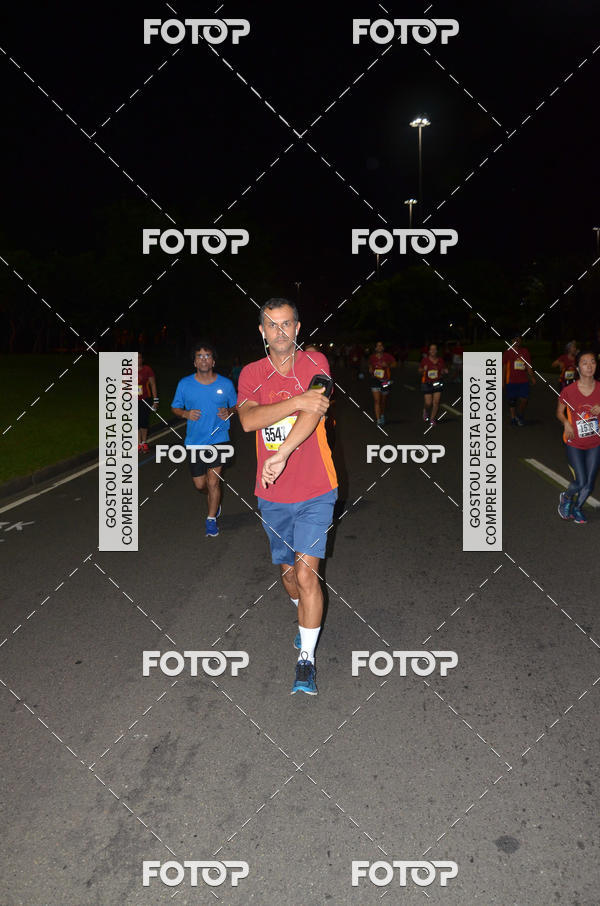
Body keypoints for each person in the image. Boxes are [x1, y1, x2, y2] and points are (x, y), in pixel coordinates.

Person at [237, 298, 337, 696]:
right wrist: (295, 401)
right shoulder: (251, 373)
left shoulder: (316, 363)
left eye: (286, 324)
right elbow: (247, 420)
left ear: (298, 327)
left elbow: (315, 414)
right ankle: (302, 617)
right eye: (271, 326)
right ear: (261, 331)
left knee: (307, 573)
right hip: (273, 495)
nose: (280, 332)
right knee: (289, 576)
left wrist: (281, 453)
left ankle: (306, 660)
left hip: (316, 487)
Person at [171, 342, 237, 537]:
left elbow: (238, 405)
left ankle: (211, 520)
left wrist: (229, 411)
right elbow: (175, 407)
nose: (203, 359)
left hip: (219, 439)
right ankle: (213, 500)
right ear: (194, 362)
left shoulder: (225, 384)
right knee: (201, 485)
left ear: (213, 361)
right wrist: (185, 413)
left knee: (213, 481)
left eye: (207, 356)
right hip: (194, 442)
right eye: (199, 356)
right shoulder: (185, 384)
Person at [556, 350, 600, 524]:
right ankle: (566, 498)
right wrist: (566, 423)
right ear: (578, 367)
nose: (589, 366)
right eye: (584, 363)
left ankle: (577, 508)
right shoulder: (569, 391)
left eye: (592, 362)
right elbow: (559, 412)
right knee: (580, 481)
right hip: (574, 442)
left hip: (595, 443)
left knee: (589, 484)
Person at [502, 334, 535, 426]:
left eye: (519, 339)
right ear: (511, 341)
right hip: (511, 380)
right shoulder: (507, 353)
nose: (517, 341)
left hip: (523, 380)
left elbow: (528, 366)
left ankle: (519, 415)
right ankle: (513, 418)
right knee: (512, 401)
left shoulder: (525, 351)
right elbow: (504, 368)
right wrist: (502, 381)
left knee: (524, 400)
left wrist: (532, 377)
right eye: (515, 339)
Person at [419, 343, 448, 426]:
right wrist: (422, 370)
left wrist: (445, 371)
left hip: (437, 382)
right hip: (427, 383)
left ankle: (432, 419)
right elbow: (419, 370)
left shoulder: (440, 360)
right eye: (431, 349)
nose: (433, 351)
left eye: (434, 349)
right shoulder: (425, 360)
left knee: (436, 402)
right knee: (428, 403)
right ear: (429, 351)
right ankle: (425, 410)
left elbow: (443, 369)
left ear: (437, 351)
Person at [368, 341, 396, 426]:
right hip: (375, 380)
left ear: (383, 348)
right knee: (377, 400)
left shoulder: (388, 356)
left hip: (385, 381)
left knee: (383, 401)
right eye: (378, 346)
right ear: (376, 348)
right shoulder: (372, 357)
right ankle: (378, 419)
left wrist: (387, 364)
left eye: (381, 346)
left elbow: (395, 364)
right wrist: (370, 369)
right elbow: (370, 365)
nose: (379, 347)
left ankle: (382, 414)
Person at [138, 352, 158, 453]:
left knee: (144, 421)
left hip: (145, 399)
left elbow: (153, 384)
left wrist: (155, 400)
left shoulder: (147, 370)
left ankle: (144, 442)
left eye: (139, 357)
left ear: (142, 359)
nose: (138, 360)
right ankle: (139, 443)